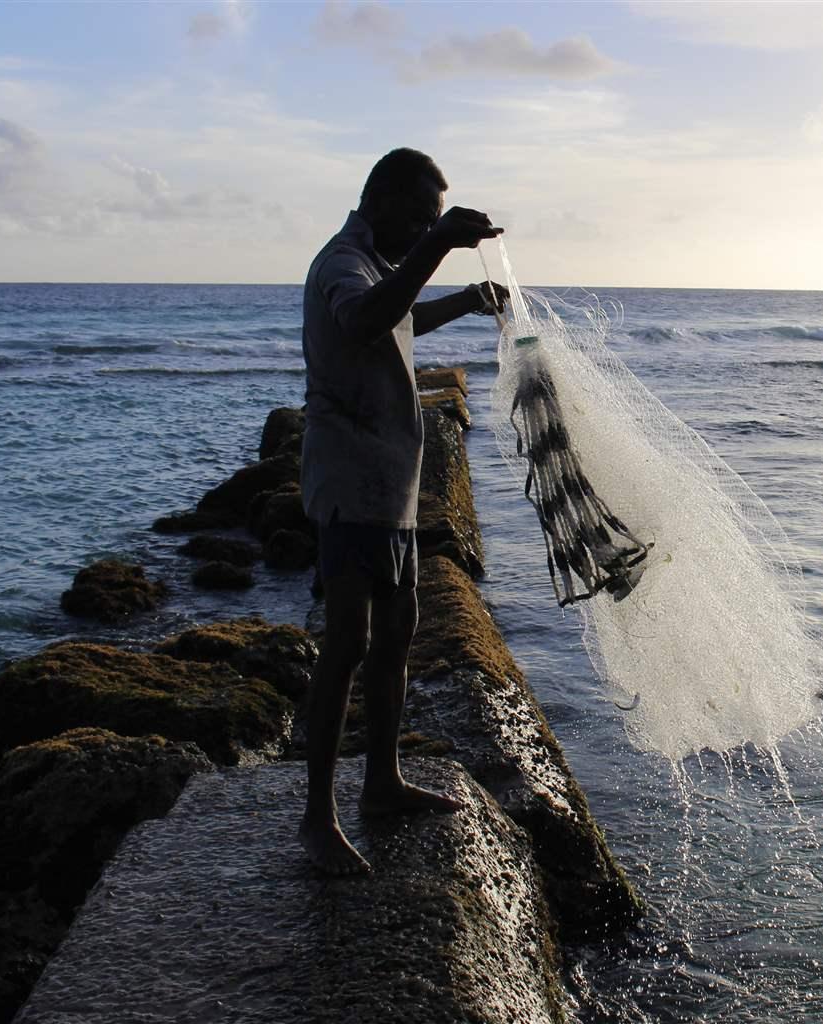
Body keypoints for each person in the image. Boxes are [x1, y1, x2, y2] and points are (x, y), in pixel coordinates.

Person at [296, 147, 506, 875]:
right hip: (351, 484)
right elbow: (362, 322)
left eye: (429, 223)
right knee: (347, 643)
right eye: (416, 218)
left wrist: (470, 301)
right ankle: (317, 817)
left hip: (391, 485)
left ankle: (381, 781)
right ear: (378, 201)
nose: (422, 232)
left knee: (398, 634)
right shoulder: (342, 263)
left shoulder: (380, 265)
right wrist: (439, 243)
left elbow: (402, 317)